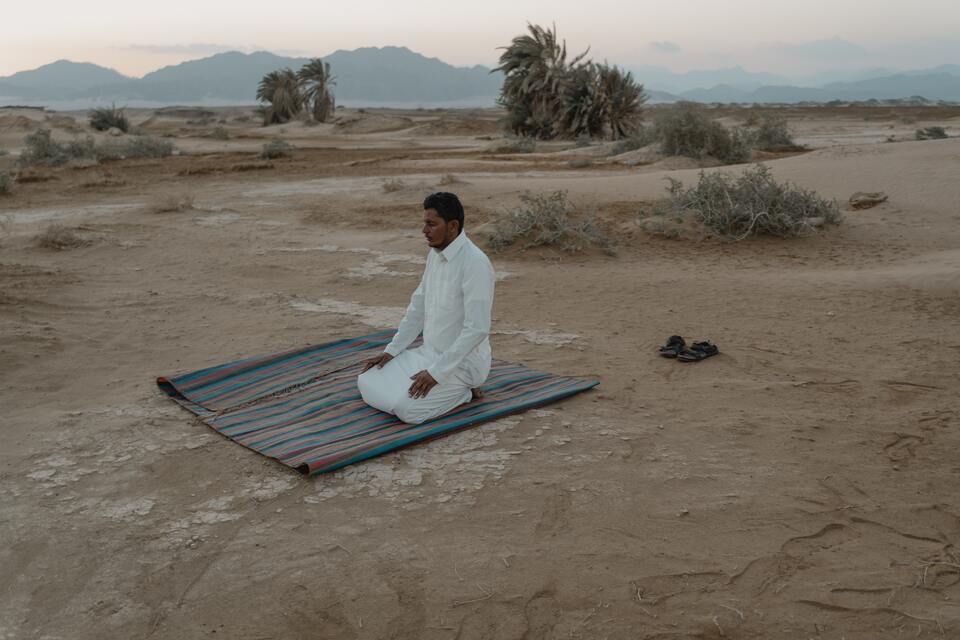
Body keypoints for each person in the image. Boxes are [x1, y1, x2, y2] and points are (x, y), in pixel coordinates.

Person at [357, 192, 495, 424]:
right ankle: (437, 389)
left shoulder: (475, 264)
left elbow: (477, 329)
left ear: (453, 226)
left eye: (431, 224)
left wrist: (437, 374)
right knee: (367, 378)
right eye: (425, 223)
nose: (424, 231)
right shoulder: (434, 255)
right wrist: (392, 350)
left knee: (406, 410)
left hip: (461, 366)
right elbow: (417, 308)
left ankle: (465, 392)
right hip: (427, 355)